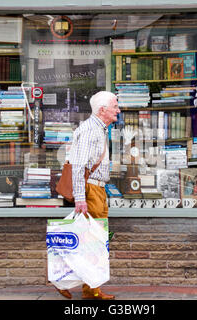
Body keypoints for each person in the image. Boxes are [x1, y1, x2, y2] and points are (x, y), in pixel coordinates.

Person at [56, 91, 120, 300]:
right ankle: (60, 279)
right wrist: (81, 198)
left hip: (97, 190)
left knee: (95, 241)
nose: (118, 110)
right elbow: (78, 166)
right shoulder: (90, 130)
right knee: (89, 241)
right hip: (90, 190)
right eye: (115, 106)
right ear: (103, 110)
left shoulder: (99, 129)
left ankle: (91, 289)